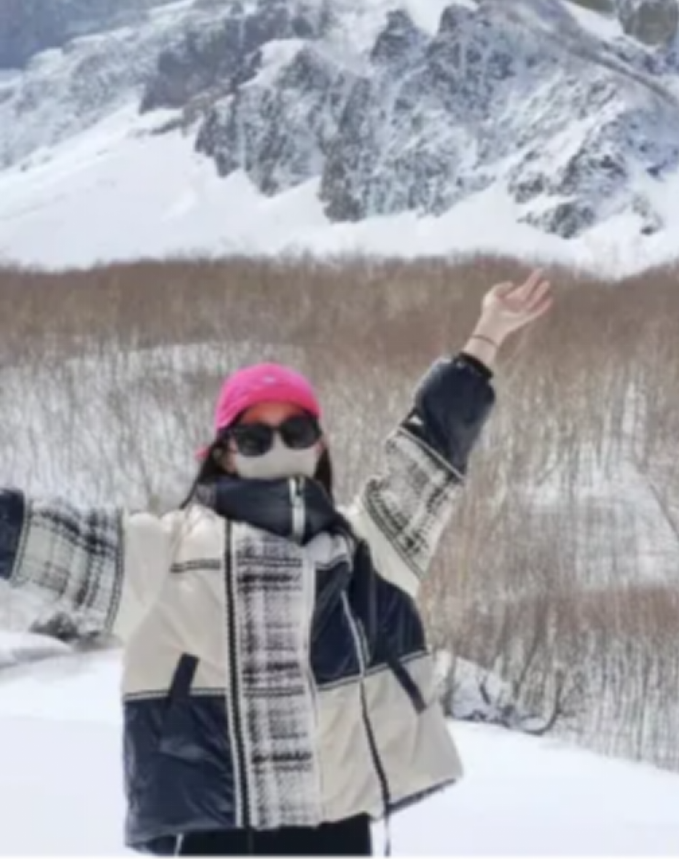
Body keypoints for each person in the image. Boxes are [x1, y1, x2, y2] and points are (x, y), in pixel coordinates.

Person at [0, 270, 551, 856]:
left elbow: (433, 451)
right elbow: (37, 537)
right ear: (224, 456)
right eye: (254, 439)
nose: (278, 447)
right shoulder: (163, 555)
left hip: (335, 833)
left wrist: (487, 336)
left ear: (319, 446)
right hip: (216, 835)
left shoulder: (369, 550)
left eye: (295, 430)